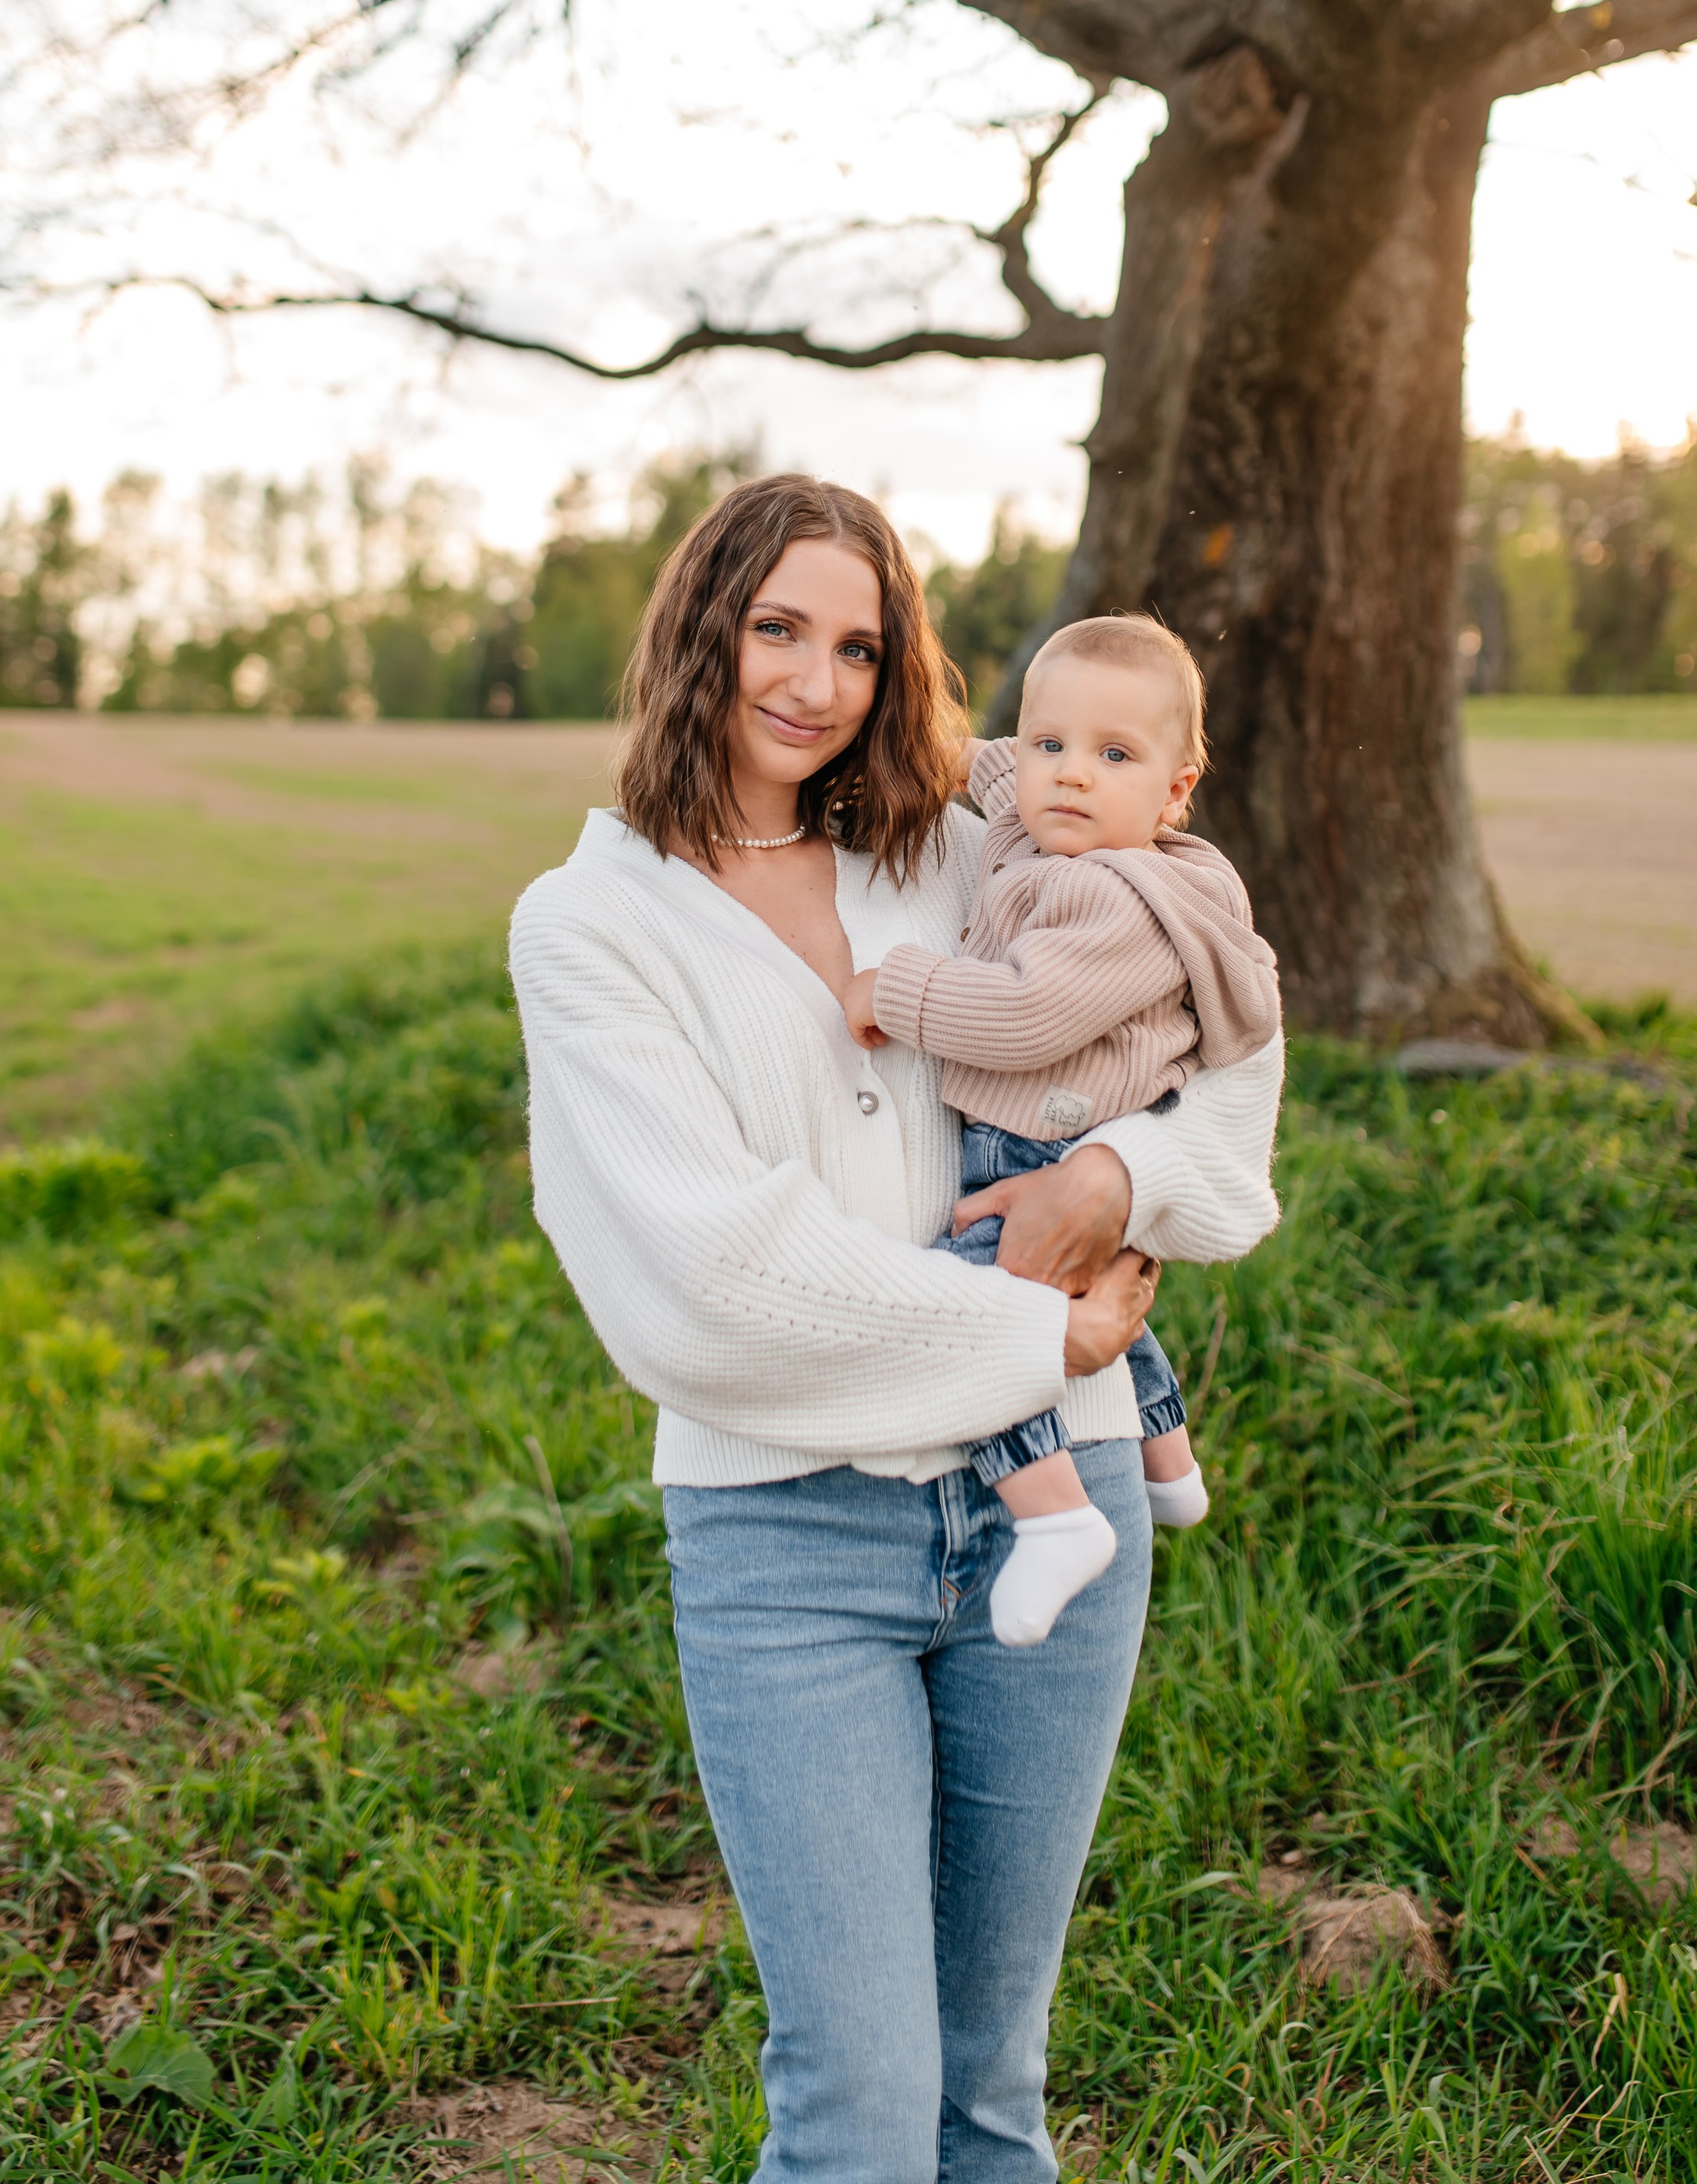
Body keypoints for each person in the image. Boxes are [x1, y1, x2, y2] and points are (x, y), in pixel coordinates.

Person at [509, 472, 1283, 2182]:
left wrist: (1115, 1168)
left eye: (858, 645)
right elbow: (710, 1286)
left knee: (990, 2092)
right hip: (788, 1539)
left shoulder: (966, 848)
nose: (813, 680)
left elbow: (1226, 1103)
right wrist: (1042, 1346)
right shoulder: (590, 925)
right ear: (696, 625)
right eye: (774, 627)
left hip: (1060, 1522)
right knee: (857, 2106)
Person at [841, 616, 1282, 1647]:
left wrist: (899, 992)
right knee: (1107, 1308)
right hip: (1064, 1135)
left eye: (1114, 755)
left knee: (985, 1311)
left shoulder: (1110, 893)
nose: (1070, 777)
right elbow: (996, 768)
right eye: (1053, 745)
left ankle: (1054, 1517)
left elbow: (1024, 1014)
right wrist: (938, 757)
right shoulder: (1047, 816)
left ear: (1177, 792)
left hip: (1043, 1142)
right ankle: (1169, 1466)